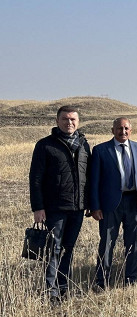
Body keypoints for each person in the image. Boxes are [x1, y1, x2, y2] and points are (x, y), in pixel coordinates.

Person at [29, 105, 91, 302]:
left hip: (77, 207)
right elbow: (36, 178)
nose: (69, 122)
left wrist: (89, 202)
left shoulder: (83, 144)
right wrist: (38, 208)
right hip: (54, 208)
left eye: (73, 119)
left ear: (78, 122)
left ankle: (64, 288)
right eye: (65, 119)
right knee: (54, 249)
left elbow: (87, 176)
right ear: (57, 121)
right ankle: (52, 292)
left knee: (69, 248)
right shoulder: (45, 145)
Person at [89, 117, 137, 288]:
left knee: (133, 243)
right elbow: (94, 181)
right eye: (119, 128)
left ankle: (131, 279)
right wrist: (95, 207)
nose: (123, 132)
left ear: (131, 130)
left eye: (126, 128)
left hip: (135, 202)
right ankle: (102, 281)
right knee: (107, 242)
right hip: (110, 204)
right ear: (112, 130)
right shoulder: (101, 150)